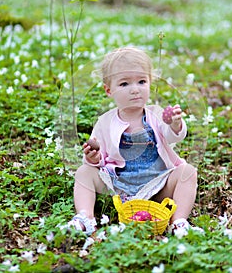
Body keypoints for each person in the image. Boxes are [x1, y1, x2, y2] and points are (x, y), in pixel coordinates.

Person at [68, 47, 198, 235]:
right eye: (124, 84)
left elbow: (172, 136)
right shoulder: (105, 122)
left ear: (150, 84)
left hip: (157, 185)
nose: (135, 89)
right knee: (84, 173)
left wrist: (175, 124)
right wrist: (93, 158)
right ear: (108, 90)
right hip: (118, 187)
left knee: (188, 172)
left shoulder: (156, 114)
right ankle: (85, 217)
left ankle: (177, 221)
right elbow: (99, 158)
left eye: (141, 81)